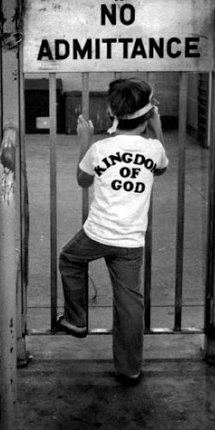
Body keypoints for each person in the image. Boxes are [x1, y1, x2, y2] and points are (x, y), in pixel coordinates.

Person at [57, 78, 169, 386]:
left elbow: (83, 180)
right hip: (132, 240)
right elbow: (161, 168)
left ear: (111, 113)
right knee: (129, 301)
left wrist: (85, 137)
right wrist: (156, 126)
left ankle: (77, 320)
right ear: (148, 115)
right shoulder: (154, 149)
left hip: (97, 234)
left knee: (69, 259)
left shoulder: (100, 148)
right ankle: (129, 368)